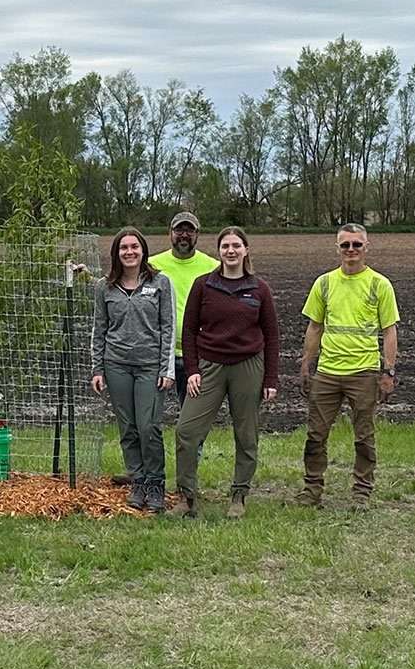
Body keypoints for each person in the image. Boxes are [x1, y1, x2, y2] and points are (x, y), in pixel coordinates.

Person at [168, 227, 279, 519]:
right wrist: (192, 370)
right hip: (209, 367)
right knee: (187, 431)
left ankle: (239, 495)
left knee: (246, 434)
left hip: (248, 367)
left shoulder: (259, 289)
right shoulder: (203, 285)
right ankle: (186, 497)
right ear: (219, 252)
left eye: (236, 246)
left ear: (246, 250)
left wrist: (270, 380)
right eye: (225, 246)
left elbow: (272, 335)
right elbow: (189, 330)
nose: (231, 251)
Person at [296, 224, 399, 510]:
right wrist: (306, 365)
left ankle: (361, 494)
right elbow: (315, 326)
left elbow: (390, 331)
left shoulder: (380, 284)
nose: (351, 250)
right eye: (345, 245)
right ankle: (312, 491)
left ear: (367, 247)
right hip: (328, 372)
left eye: (356, 244)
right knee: (315, 435)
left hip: (364, 373)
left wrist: (388, 371)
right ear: (337, 248)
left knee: (364, 437)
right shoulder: (324, 283)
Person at [91, 227, 176, 513]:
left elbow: (168, 328)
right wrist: (97, 368)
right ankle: (137, 481)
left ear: (143, 251)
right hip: (116, 366)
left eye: (134, 247)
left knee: (148, 426)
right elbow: (99, 329)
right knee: (127, 428)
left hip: (150, 367)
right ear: (116, 253)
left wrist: (167, 368)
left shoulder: (161, 283)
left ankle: (156, 484)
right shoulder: (105, 287)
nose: (129, 252)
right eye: (123, 248)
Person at [146, 211, 219, 483]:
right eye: (179, 230)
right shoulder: (153, 265)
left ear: (197, 234)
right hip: (158, 357)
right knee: (148, 420)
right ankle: (147, 474)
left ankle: (186, 479)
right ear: (170, 233)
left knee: (192, 425)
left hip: (196, 360)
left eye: (190, 230)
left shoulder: (212, 267)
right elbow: (121, 286)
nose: (184, 235)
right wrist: (86, 280)